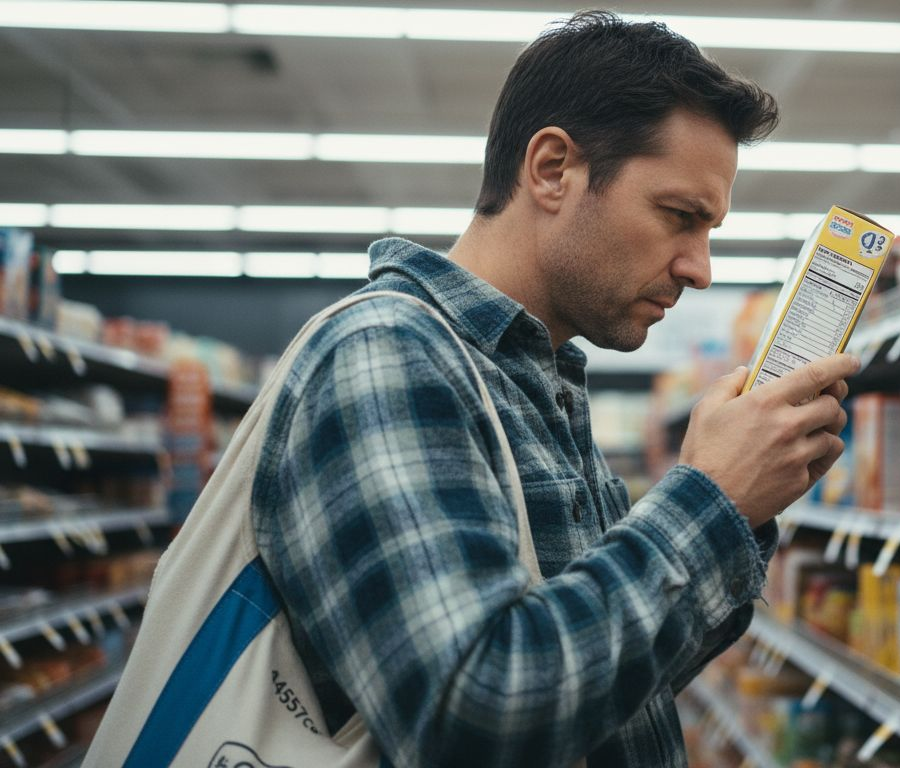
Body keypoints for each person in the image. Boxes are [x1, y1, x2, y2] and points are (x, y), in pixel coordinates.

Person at [252, 10, 856, 767]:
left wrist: (746, 507)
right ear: (551, 170)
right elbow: (478, 716)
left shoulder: (537, 379)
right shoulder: (388, 354)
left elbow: (611, 684)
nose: (700, 267)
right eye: (678, 216)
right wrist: (712, 499)